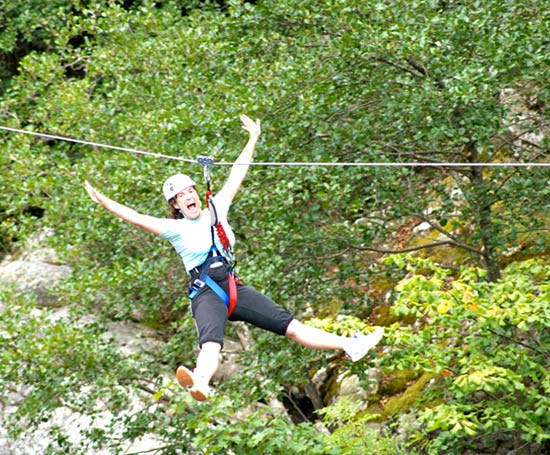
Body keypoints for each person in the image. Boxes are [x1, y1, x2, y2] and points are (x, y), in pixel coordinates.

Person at [84, 114, 384, 402]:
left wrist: (253, 137)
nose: (188, 196)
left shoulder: (217, 209)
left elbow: (238, 171)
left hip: (233, 288)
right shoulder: (174, 229)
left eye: (191, 190)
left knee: (292, 327)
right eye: (181, 196)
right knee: (211, 343)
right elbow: (135, 217)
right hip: (206, 293)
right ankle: (201, 381)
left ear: (196, 194)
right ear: (175, 205)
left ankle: (351, 344)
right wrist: (103, 200)